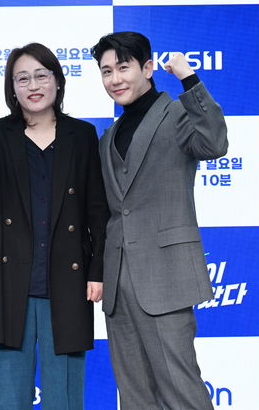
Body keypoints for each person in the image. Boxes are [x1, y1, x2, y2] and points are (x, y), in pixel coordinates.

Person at [0, 42, 109, 410]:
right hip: (9, 274)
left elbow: (97, 210)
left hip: (68, 275)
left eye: (41, 76)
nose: (33, 85)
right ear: (12, 89)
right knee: (8, 393)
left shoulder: (81, 134)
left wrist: (98, 270)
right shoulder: (0, 132)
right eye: (22, 78)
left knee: (64, 395)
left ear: (57, 81)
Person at [90, 31, 228, 410]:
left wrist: (189, 79)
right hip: (119, 282)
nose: (115, 79)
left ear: (148, 68)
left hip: (165, 277)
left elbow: (214, 143)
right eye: (106, 71)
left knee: (181, 391)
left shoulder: (178, 113)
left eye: (123, 67)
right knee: (134, 395)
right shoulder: (109, 135)